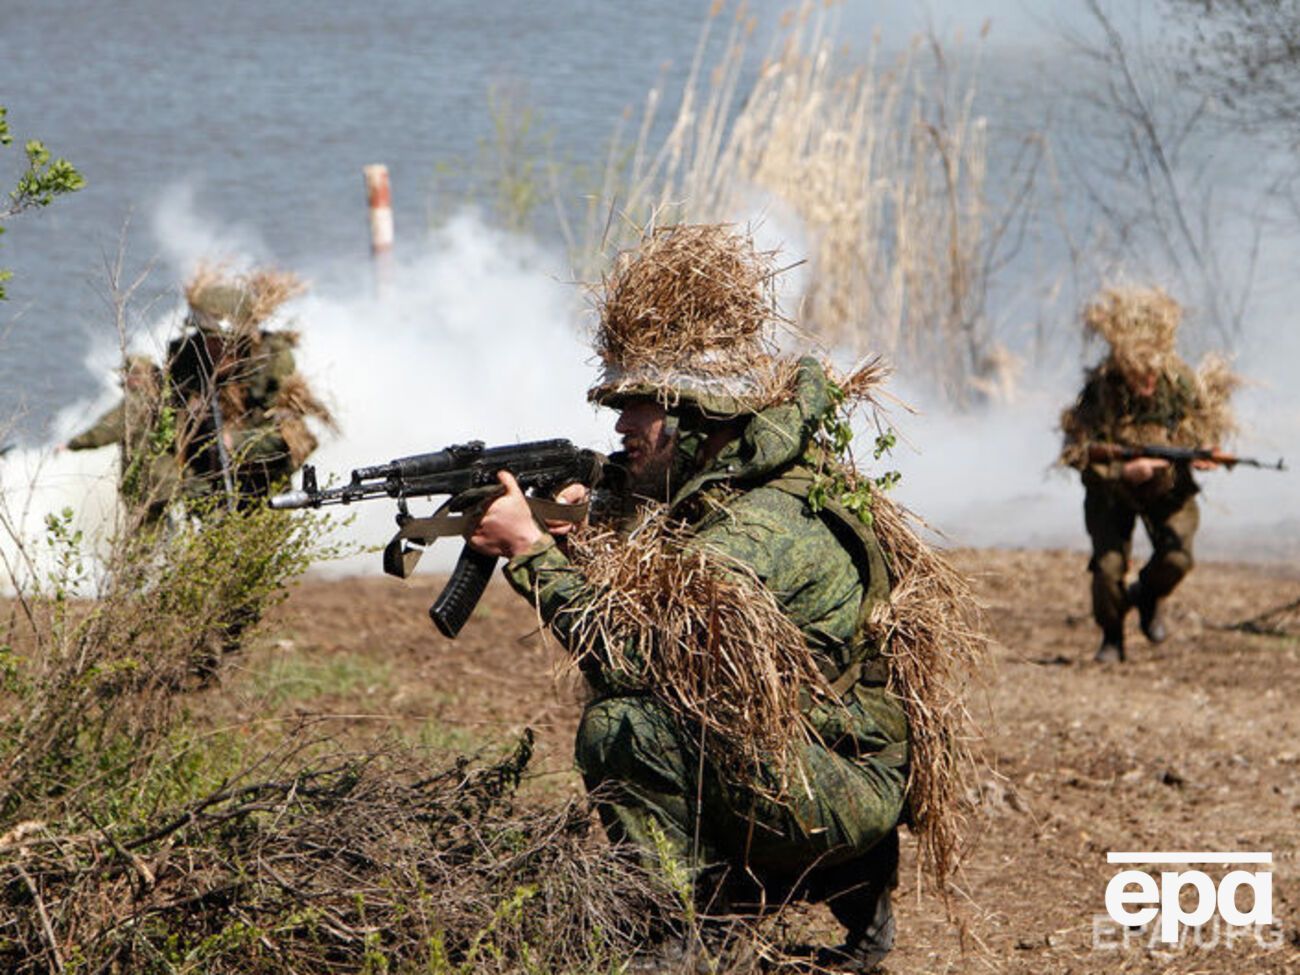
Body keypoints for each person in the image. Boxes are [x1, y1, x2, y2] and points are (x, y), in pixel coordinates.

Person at [466, 225, 979, 972]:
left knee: (623, 728)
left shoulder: (760, 526)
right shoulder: (736, 487)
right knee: (677, 724)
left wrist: (531, 555)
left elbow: (639, 657)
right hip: (836, 761)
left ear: (690, 416)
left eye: (638, 406)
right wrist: (576, 530)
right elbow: (669, 602)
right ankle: (849, 884)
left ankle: (687, 930)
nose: (619, 425)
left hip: (837, 785)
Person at [1059, 286, 1237, 663]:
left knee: (1176, 559)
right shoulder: (1101, 391)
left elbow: (1202, 429)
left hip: (1167, 489)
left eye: (1152, 375)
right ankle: (1111, 636)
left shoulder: (1179, 385)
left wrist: (1202, 454)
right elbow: (1076, 452)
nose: (1146, 384)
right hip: (1112, 492)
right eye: (1138, 376)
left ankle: (1148, 596)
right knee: (1107, 569)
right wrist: (1124, 470)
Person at [167, 265, 332, 509]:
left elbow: (296, 441)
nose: (208, 348)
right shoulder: (188, 360)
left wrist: (238, 442)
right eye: (205, 339)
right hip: (204, 486)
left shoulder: (271, 363)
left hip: (261, 486)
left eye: (216, 341)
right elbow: (166, 422)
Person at [64, 354, 179, 527]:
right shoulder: (164, 400)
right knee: (169, 529)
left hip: (147, 483)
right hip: (170, 481)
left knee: (145, 537)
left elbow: (106, 430)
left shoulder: (135, 403)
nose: (124, 379)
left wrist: (71, 444)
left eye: (129, 374)